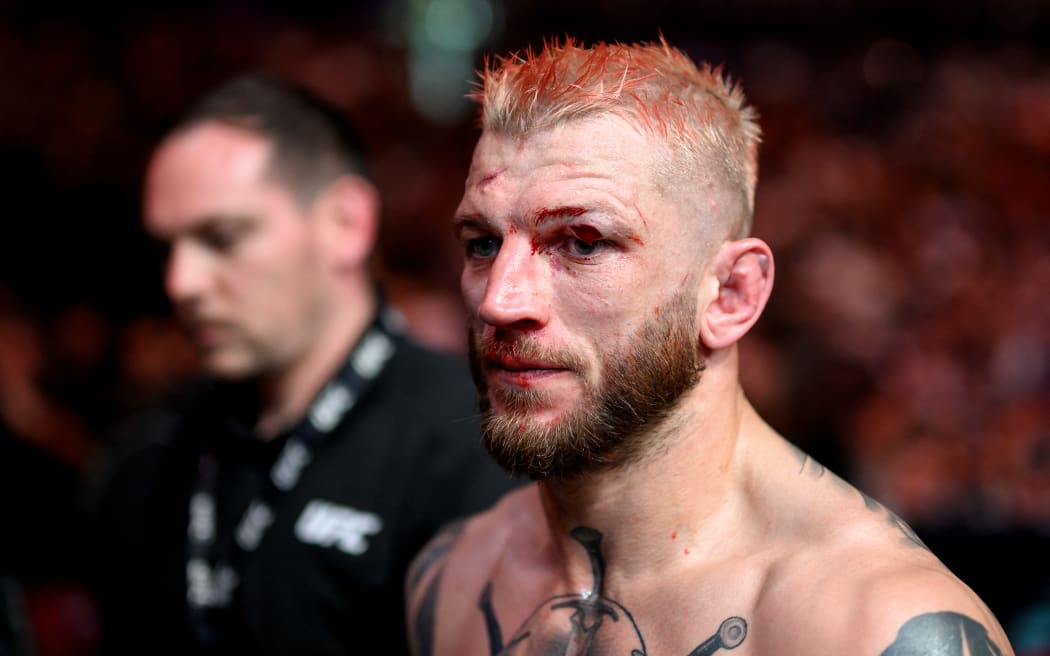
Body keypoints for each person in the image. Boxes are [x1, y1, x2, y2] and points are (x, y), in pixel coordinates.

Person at [405, 38, 1016, 655]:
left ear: (730, 295)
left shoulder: (873, 626)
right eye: (482, 242)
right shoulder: (455, 572)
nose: (500, 302)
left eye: (583, 242)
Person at [88, 72, 514, 656]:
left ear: (345, 222)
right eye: (168, 248)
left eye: (222, 237)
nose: (181, 282)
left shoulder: (474, 448)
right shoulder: (147, 456)